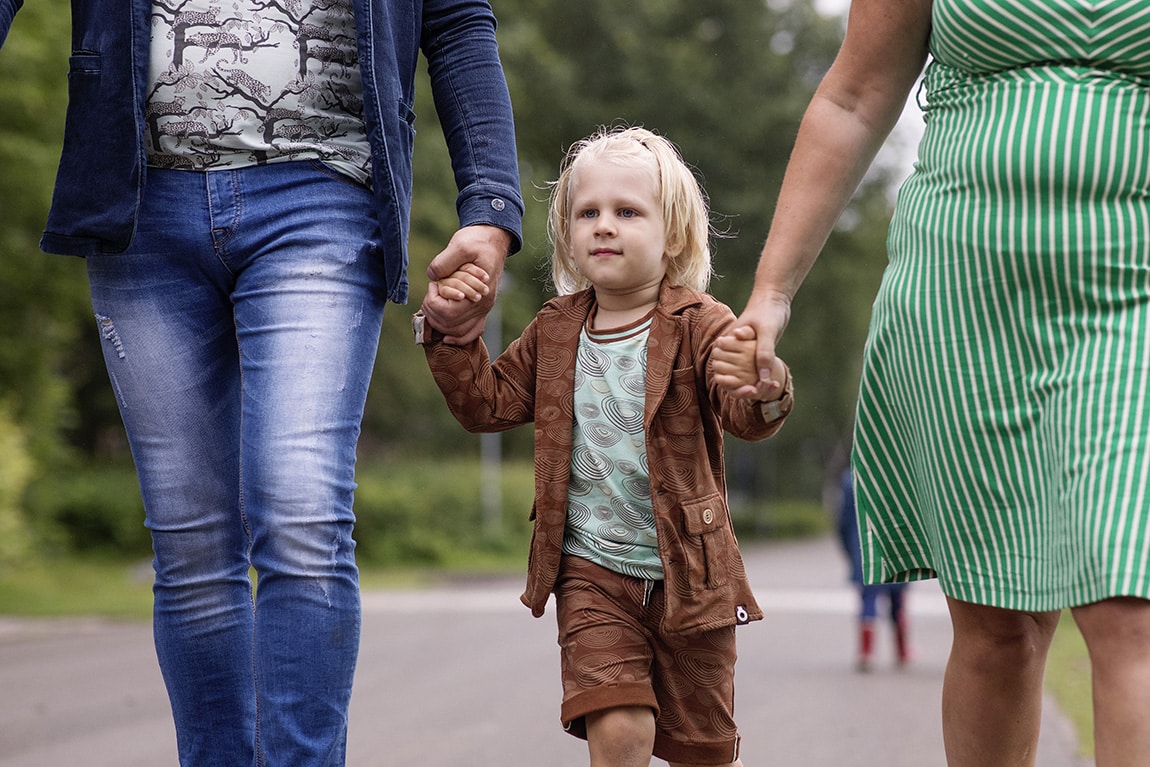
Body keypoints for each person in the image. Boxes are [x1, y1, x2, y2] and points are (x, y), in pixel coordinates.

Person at [0, 0, 523, 764]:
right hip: (138, 203)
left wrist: (490, 202)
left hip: (321, 192)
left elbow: (455, 18)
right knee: (191, 539)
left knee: (301, 507)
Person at [714, 1, 1150, 765]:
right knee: (1000, 628)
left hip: (1134, 293)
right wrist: (772, 293)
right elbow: (853, 97)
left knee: (1132, 609)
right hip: (963, 300)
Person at [416, 125, 793, 767]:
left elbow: (744, 415)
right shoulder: (556, 327)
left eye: (627, 212)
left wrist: (765, 388)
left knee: (702, 751)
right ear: (566, 233)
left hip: (690, 576)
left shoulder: (702, 323)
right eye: (587, 213)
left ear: (672, 235)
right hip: (591, 573)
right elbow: (488, 403)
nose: (604, 227)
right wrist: (451, 338)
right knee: (618, 727)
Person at [836, 467, 910, 672]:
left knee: (868, 601)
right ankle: (902, 652)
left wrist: (848, 550)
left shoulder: (850, 480)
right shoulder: (900, 477)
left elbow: (842, 522)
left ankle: (866, 652)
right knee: (898, 602)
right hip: (897, 547)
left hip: (864, 549)